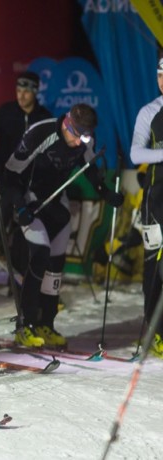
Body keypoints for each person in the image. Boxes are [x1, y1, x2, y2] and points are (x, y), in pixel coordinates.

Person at [5, 103, 123, 347]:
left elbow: (89, 169)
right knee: (40, 254)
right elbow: (10, 173)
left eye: (85, 137)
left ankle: (46, 324)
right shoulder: (41, 133)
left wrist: (106, 193)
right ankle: (25, 325)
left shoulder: (84, 139)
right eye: (76, 135)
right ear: (67, 123)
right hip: (31, 201)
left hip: (57, 204)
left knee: (56, 265)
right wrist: (18, 205)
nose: (79, 142)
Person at [0, 72, 53, 253]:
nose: (21, 96)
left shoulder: (44, 116)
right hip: (4, 171)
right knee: (10, 195)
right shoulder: (6, 111)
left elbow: (50, 147)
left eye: (26, 92)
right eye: (18, 90)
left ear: (35, 92)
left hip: (32, 174)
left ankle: (21, 245)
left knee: (34, 201)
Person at [129, 57, 163, 357]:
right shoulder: (150, 111)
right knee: (154, 265)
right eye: (160, 75)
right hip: (156, 199)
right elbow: (135, 153)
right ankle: (155, 331)